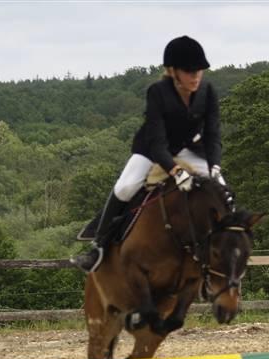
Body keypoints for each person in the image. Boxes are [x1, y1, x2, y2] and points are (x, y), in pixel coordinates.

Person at [71, 35, 227, 273]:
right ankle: (98, 246)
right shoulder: (158, 92)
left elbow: (213, 134)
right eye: (189, 71)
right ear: (173, 71)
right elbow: (157, 141)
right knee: (125, 187)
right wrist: (176, 172)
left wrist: (215, 166)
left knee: (221, 190)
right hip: (153, 150)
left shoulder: (208, 91)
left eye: (199, 70)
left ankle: (229, 247)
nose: (196, 76)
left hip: (192, 149)